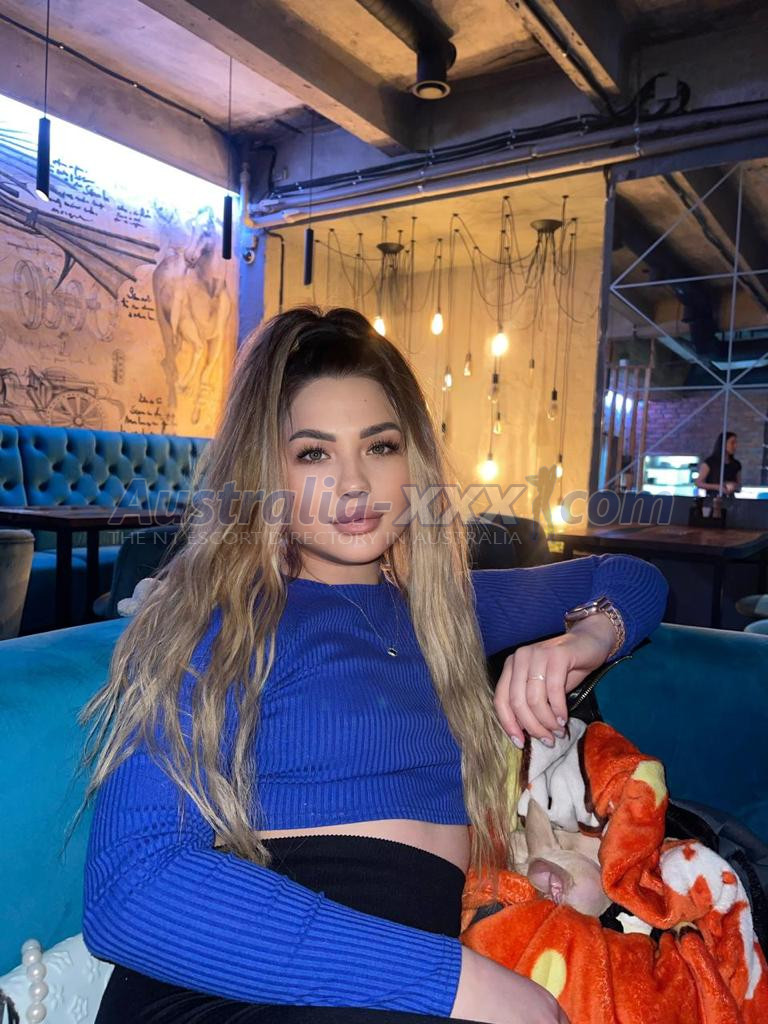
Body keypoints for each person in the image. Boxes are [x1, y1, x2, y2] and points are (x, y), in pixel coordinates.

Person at [80, 306, 668, 1024]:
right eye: (314, 454)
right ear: (264, 473)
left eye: (380, 446)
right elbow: (130, 887)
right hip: (237, 986)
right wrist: (456, 981)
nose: (354, 484)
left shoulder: (445, 610)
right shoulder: (222, 618)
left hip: (395, 987)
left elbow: (631, 578)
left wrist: (585, 640)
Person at [694, 431, 742, 496]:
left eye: (736, 443)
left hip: (730, 499)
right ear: (723, 444)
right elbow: (698, 483)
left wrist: (734, 486)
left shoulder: (736, 464)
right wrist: (717, 487)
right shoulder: (710, 462)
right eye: (732, 443)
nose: (735, 446)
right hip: (712, 498)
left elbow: (739, 487)